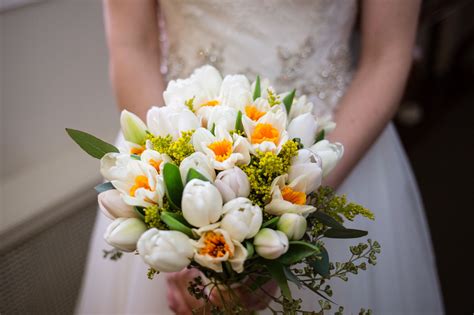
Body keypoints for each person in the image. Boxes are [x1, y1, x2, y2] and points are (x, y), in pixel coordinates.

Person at [77, 0, 444, 314]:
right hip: (173, 150)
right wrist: (177, 226)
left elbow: (387, 55)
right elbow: (131, 48)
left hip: (337, 148)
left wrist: (296, 202)